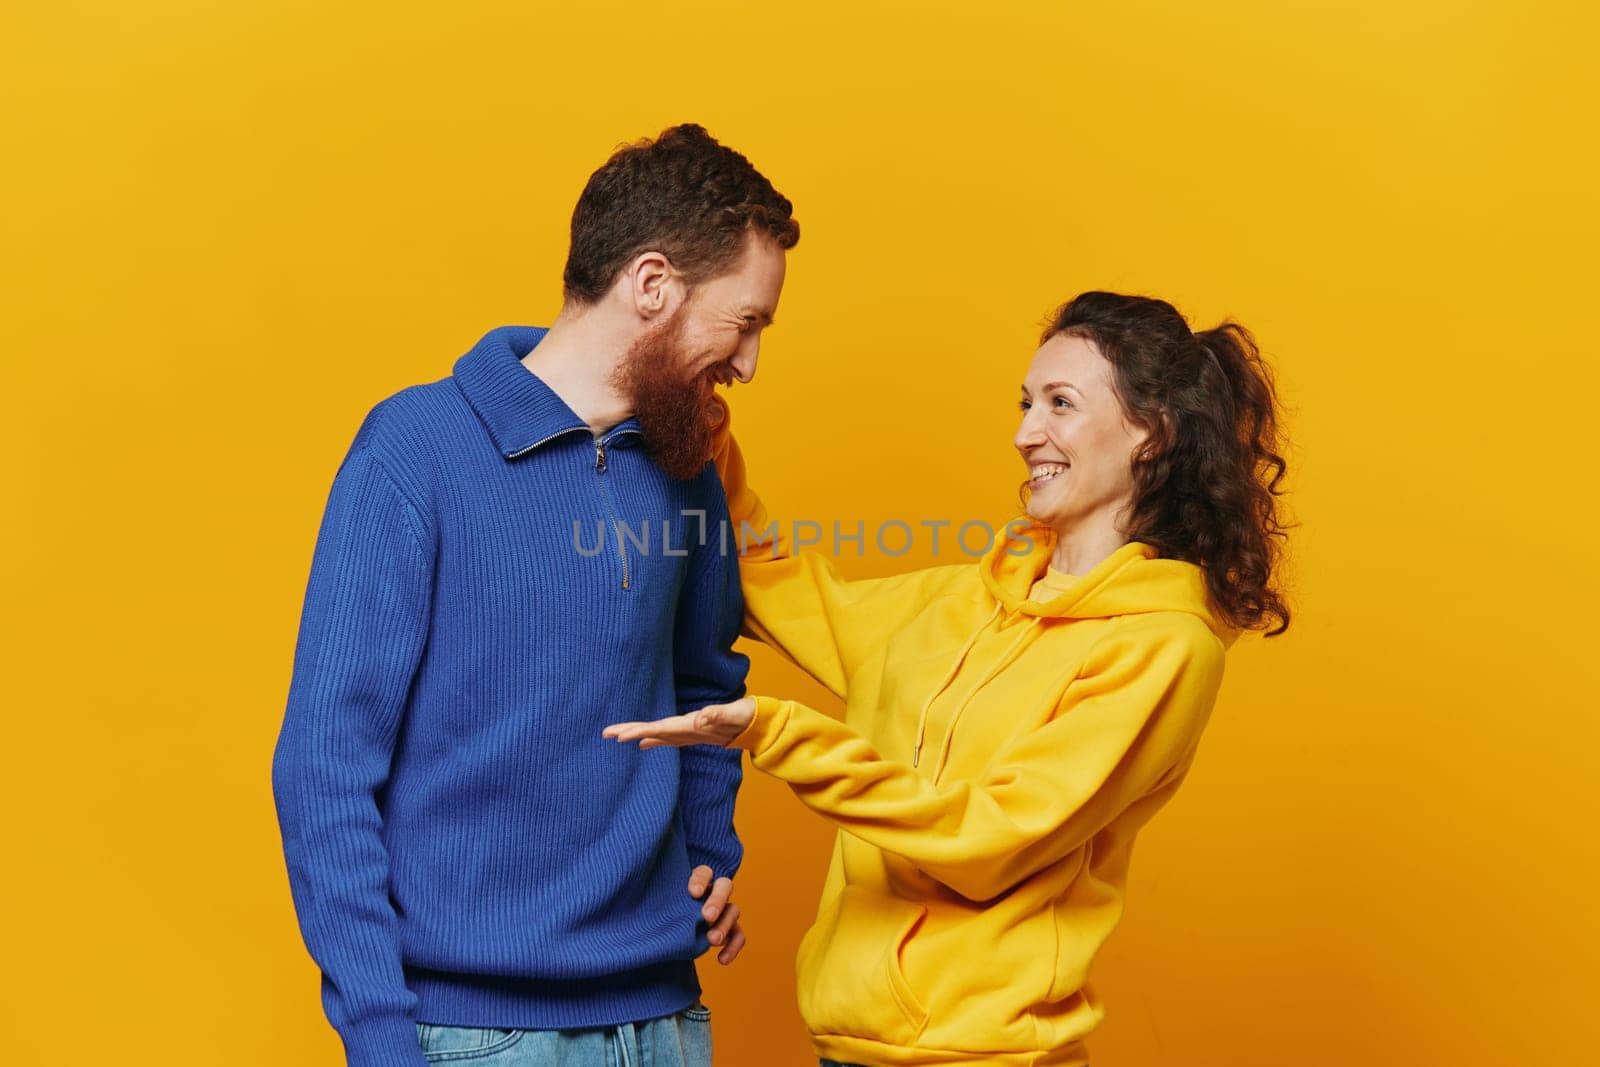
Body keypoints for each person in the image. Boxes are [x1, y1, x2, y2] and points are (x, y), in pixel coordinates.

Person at [607, 291, 1290, 1067]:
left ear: (1153, 433)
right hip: (851, 1048)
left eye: (1061, 404)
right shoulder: (966, 600)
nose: (1026, 433)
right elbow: (768, 578)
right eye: (1027, 403)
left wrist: (777, 731)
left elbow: (988, 840)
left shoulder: (1165, 647)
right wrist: (705, 429)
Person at [271, 123, 798, 1067]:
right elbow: (324, 765)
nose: (750, 364)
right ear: (652, 285)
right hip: (474, 1036)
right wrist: (380, 1037)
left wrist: (709, 847)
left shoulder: (690, 466)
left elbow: (703, 678)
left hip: (667, 1024)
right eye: (746, 320)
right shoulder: (414, 451)